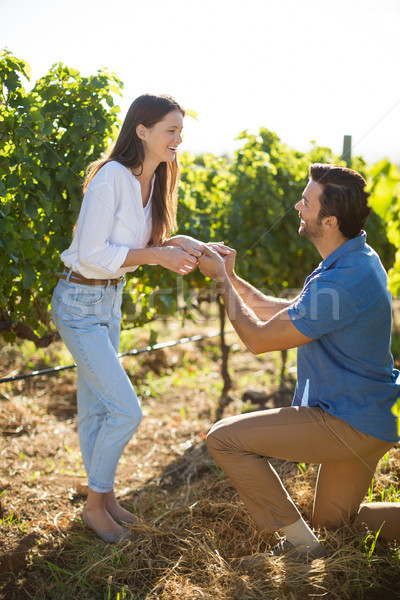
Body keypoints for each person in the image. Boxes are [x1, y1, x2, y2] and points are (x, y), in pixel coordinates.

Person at [198, 163, 400, 563]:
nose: (296, 206)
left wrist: (221, 281)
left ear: (328, 220)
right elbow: (287, 312)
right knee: (334, 526)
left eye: (305, 202)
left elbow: (258, 339)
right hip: (369, 417)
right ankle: (312, 539)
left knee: (223, 438)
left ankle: (295, 547)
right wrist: (233, 276)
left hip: (348, 421)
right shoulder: (354, 258)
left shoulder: (341, 279)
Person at [51, 94, 205, 543]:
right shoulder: (111, 178)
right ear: (142, 130)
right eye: (170, 131)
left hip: (108, 302)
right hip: (79, 303)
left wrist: (176, 242)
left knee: (99, 408)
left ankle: (107, 495)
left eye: (180, 131)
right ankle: (94, 508)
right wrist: (157, 256)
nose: (179, 138)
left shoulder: (156, 179)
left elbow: (141, 244)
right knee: (126, 410)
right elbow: (94, 255)